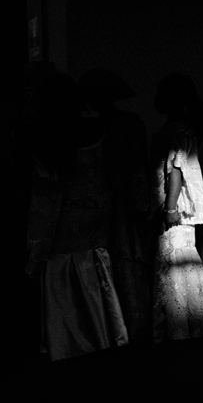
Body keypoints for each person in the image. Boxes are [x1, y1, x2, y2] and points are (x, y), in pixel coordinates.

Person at [26, 71, 128, 360]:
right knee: (93, 274)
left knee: (63, 279)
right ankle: (100, 333)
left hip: (65, 221)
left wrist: (35, 245)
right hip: (97, 216)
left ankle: (69, 343)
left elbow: (46, 196)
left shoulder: (47, 136)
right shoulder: (95, 129)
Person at [79, 68, 152, 343]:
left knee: (120, 260)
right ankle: (128, 326)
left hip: (112, 205)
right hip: (117, 205)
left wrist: (140, 204)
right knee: (124, 261)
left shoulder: (105, 126)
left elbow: (137, 169)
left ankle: (123, 327)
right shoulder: (123, 123)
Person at [150, 72, 203, 342]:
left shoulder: (177, 129)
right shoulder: (183, 127)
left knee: (173, 262)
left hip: (175, 208)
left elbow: (176, 169)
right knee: (181, 262)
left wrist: (170, 207)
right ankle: (189, 324)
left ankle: (178, 327)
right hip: (178, 208)